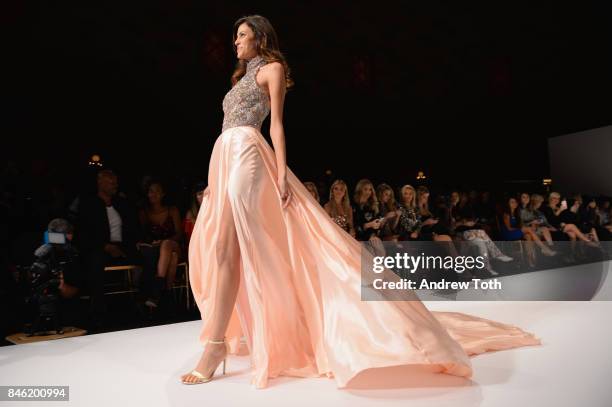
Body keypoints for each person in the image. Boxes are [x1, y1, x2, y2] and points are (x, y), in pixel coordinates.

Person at [183, 14, 540, 388]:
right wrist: (213, 181)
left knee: (238, 245)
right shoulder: (239, 78)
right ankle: (218, 343)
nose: (235, 42)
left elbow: (276, 126)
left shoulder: (271, 69)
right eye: (235, 36)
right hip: (223, 154)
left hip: (249, 155)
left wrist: (281, 173)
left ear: (260, 38)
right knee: (222, 246)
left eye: (242, 35)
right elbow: (226, 127)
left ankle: (217, 345)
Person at [138, 180, 184, 308]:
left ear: (163, 194)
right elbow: (143, 233)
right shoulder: (144, 212)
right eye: (151, 191)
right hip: (156, 250)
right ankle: (167, 295)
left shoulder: (172, 210)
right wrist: (151, 242)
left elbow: (179, 234)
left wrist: (163, 242)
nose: (153, 194)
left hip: (173, 244)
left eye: (157, 191)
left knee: (167, 244)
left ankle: (157, 289)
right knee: (172, 257)